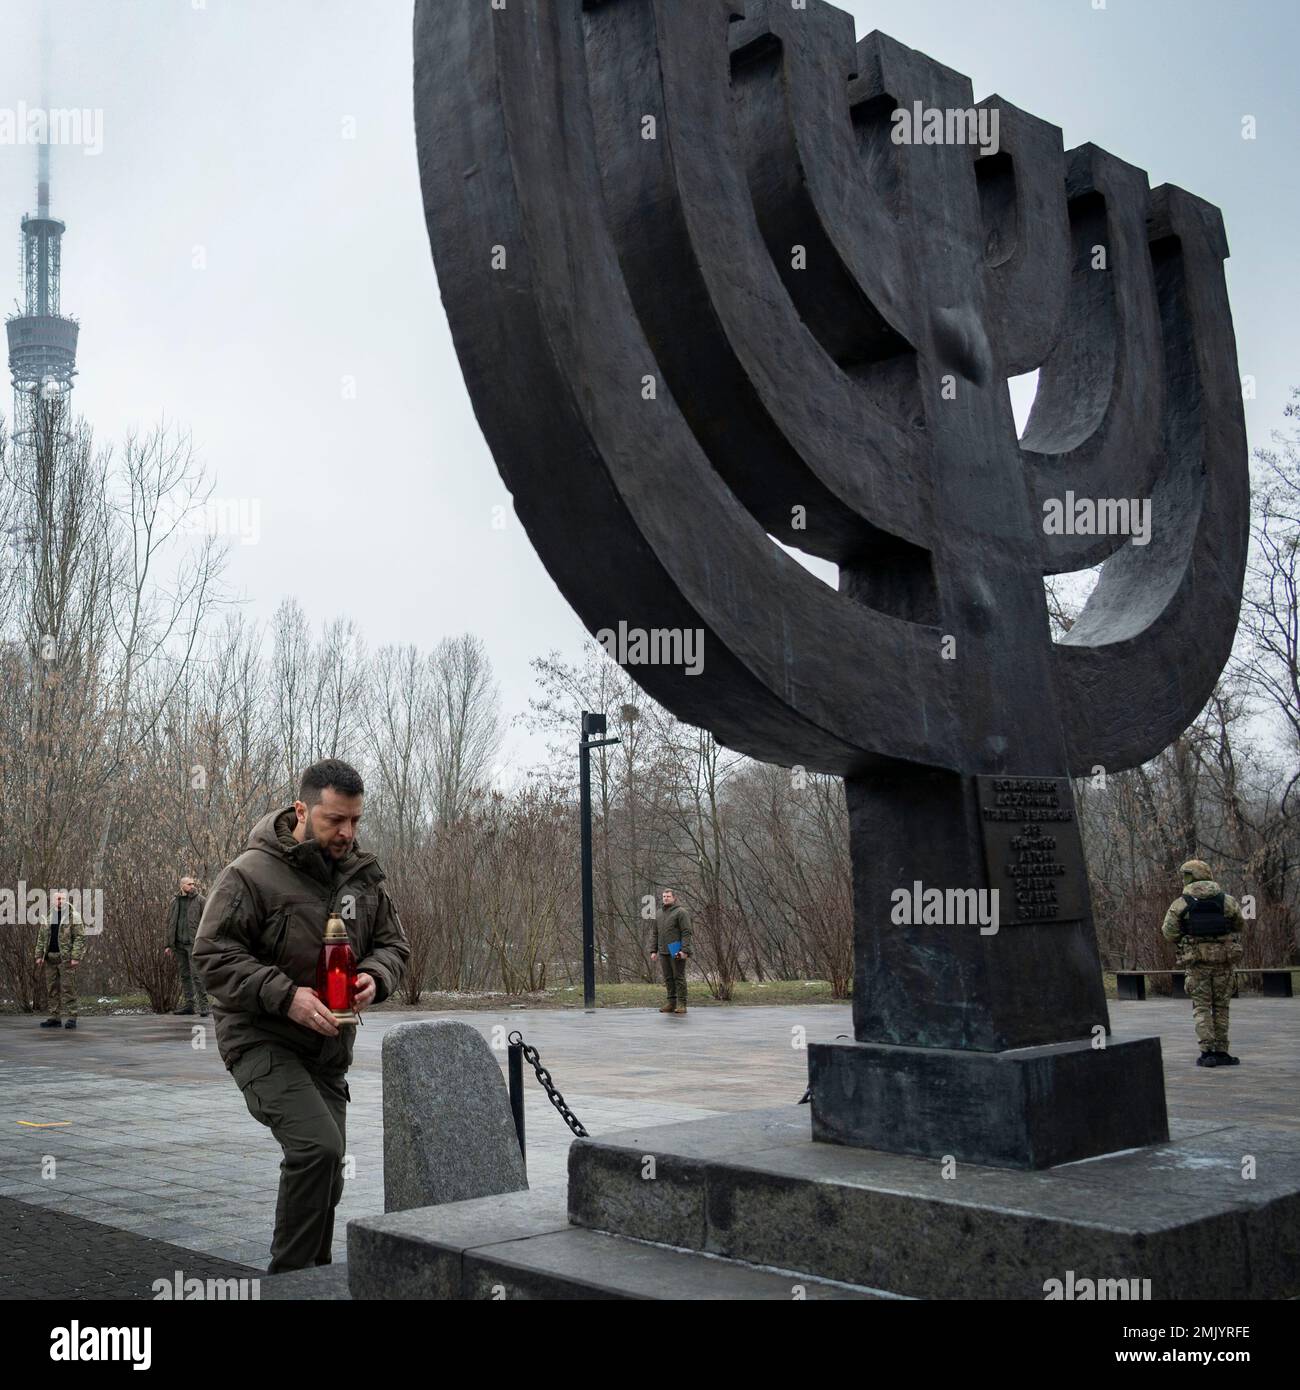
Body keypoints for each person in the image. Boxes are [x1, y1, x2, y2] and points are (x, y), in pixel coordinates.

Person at [193, 759, 409, 1273]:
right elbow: (212, 954)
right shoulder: (251, 872)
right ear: (301, 810)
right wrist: (286, 995)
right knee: (318, 1149)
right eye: (335, 819)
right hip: (260, 1037)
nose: (347, 832)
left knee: (327, 1169)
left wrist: (374, 977)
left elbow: (394, 944)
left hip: (329, 1046)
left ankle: (312, 1278)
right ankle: (288, 1280)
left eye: (355, 820)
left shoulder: (363, 875)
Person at [1160, 858, 1245, 1068]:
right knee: (1222, 1007)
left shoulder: (1182, 902)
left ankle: (1207, 1053)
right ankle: (1223, 1052)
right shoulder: (1227, 900)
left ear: (1191, 877)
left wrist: (1186, 938)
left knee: (1202, 1008)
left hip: (1197, 963)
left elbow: (1168, 931)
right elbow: (1239, 925)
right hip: (1224, 963)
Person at [34, 890, 86, 1030]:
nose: (60, 901)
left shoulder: (73, 916)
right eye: (58, 899)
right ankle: (55, 1017)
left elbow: (80, 938)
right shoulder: (48, 916)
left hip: (66, 959)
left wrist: (75, 956)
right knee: (52, 989)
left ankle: (72, 1017)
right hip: (50, 958)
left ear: (66, 900)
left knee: (68, 988)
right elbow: (41, 937)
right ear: (53, 900)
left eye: (63, 899)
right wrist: (39, 955)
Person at [165, 875, 209, 1016]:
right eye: (189, 884)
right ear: (182, 886)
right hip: (178, 945)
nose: (192, 886)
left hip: (194, 944)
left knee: (196, 975)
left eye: (193, 884)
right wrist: (168, 945)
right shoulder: (174, 902)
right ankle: (189, 1006)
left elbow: (208, 921)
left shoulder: (200, 900)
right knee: (184, 976)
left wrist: (206, 941)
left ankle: (204, 1006)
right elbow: (170, 923)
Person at [648, 888, 693, 1016]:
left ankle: (682, 1004)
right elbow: (655, 933)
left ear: (674, 898)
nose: (665, 898)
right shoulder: (659, 913)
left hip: (676, 948)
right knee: (668, 978)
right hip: (663, 950)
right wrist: (653, 950)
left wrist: (684, 950)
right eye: (664, 896)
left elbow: (686, 932)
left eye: (668, 896)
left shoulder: (681, 912)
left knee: (678, 977)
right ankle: (671, 1003)